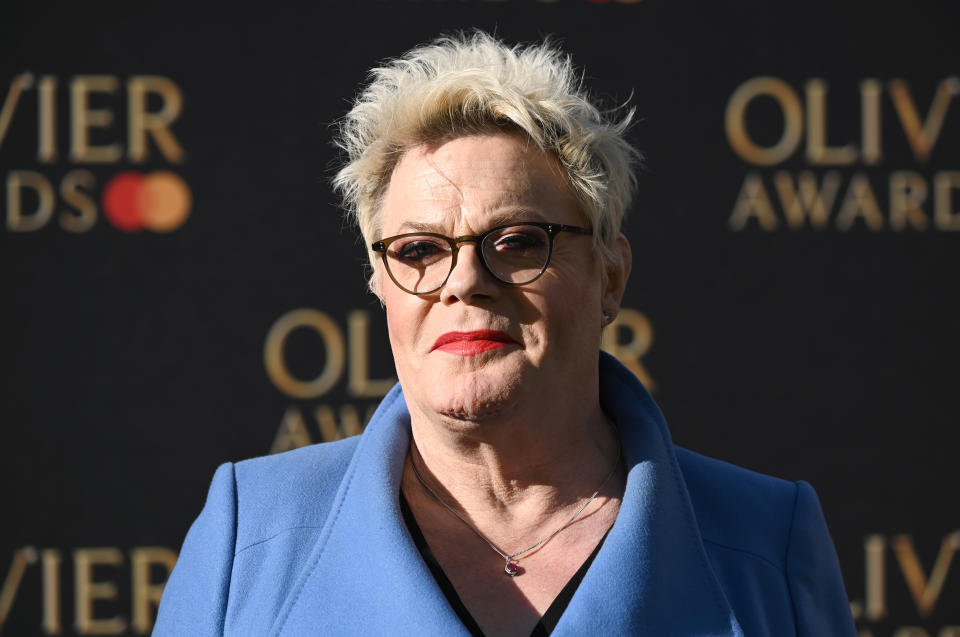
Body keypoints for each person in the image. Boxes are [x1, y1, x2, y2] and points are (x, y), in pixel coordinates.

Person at [153, 32, 857, 636]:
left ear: (610, 275)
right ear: (379, 283)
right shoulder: (251, 536)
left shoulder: (767, 540)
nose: (464, 281)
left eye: (517, 241)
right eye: (419, 250)